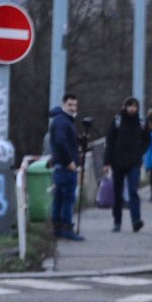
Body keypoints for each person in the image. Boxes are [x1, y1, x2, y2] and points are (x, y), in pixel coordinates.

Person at [103, 97, 150, 232]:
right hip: (117, 162)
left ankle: (136, 220)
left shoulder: (141, 123)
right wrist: (106, 162)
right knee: (118, 193)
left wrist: (140, 152)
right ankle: (117, 221)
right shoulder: (117, 121)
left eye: (135, 106)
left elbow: (147, 139)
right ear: (125, 107)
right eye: (130, 106)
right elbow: (110, 142)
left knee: (133, 191)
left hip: (134, 162)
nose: (132, 109)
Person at [48, 93, 85, 241]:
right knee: (68, 198)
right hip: (66, 167)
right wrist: (69, 161)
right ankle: (67, 228)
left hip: (61, 165)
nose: (73, 108)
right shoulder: (62, 122)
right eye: (70, 105)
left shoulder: (62, 121)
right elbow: (61, 143)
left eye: (75, 105)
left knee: (59, 198)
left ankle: (58, 228)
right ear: (64, 105)